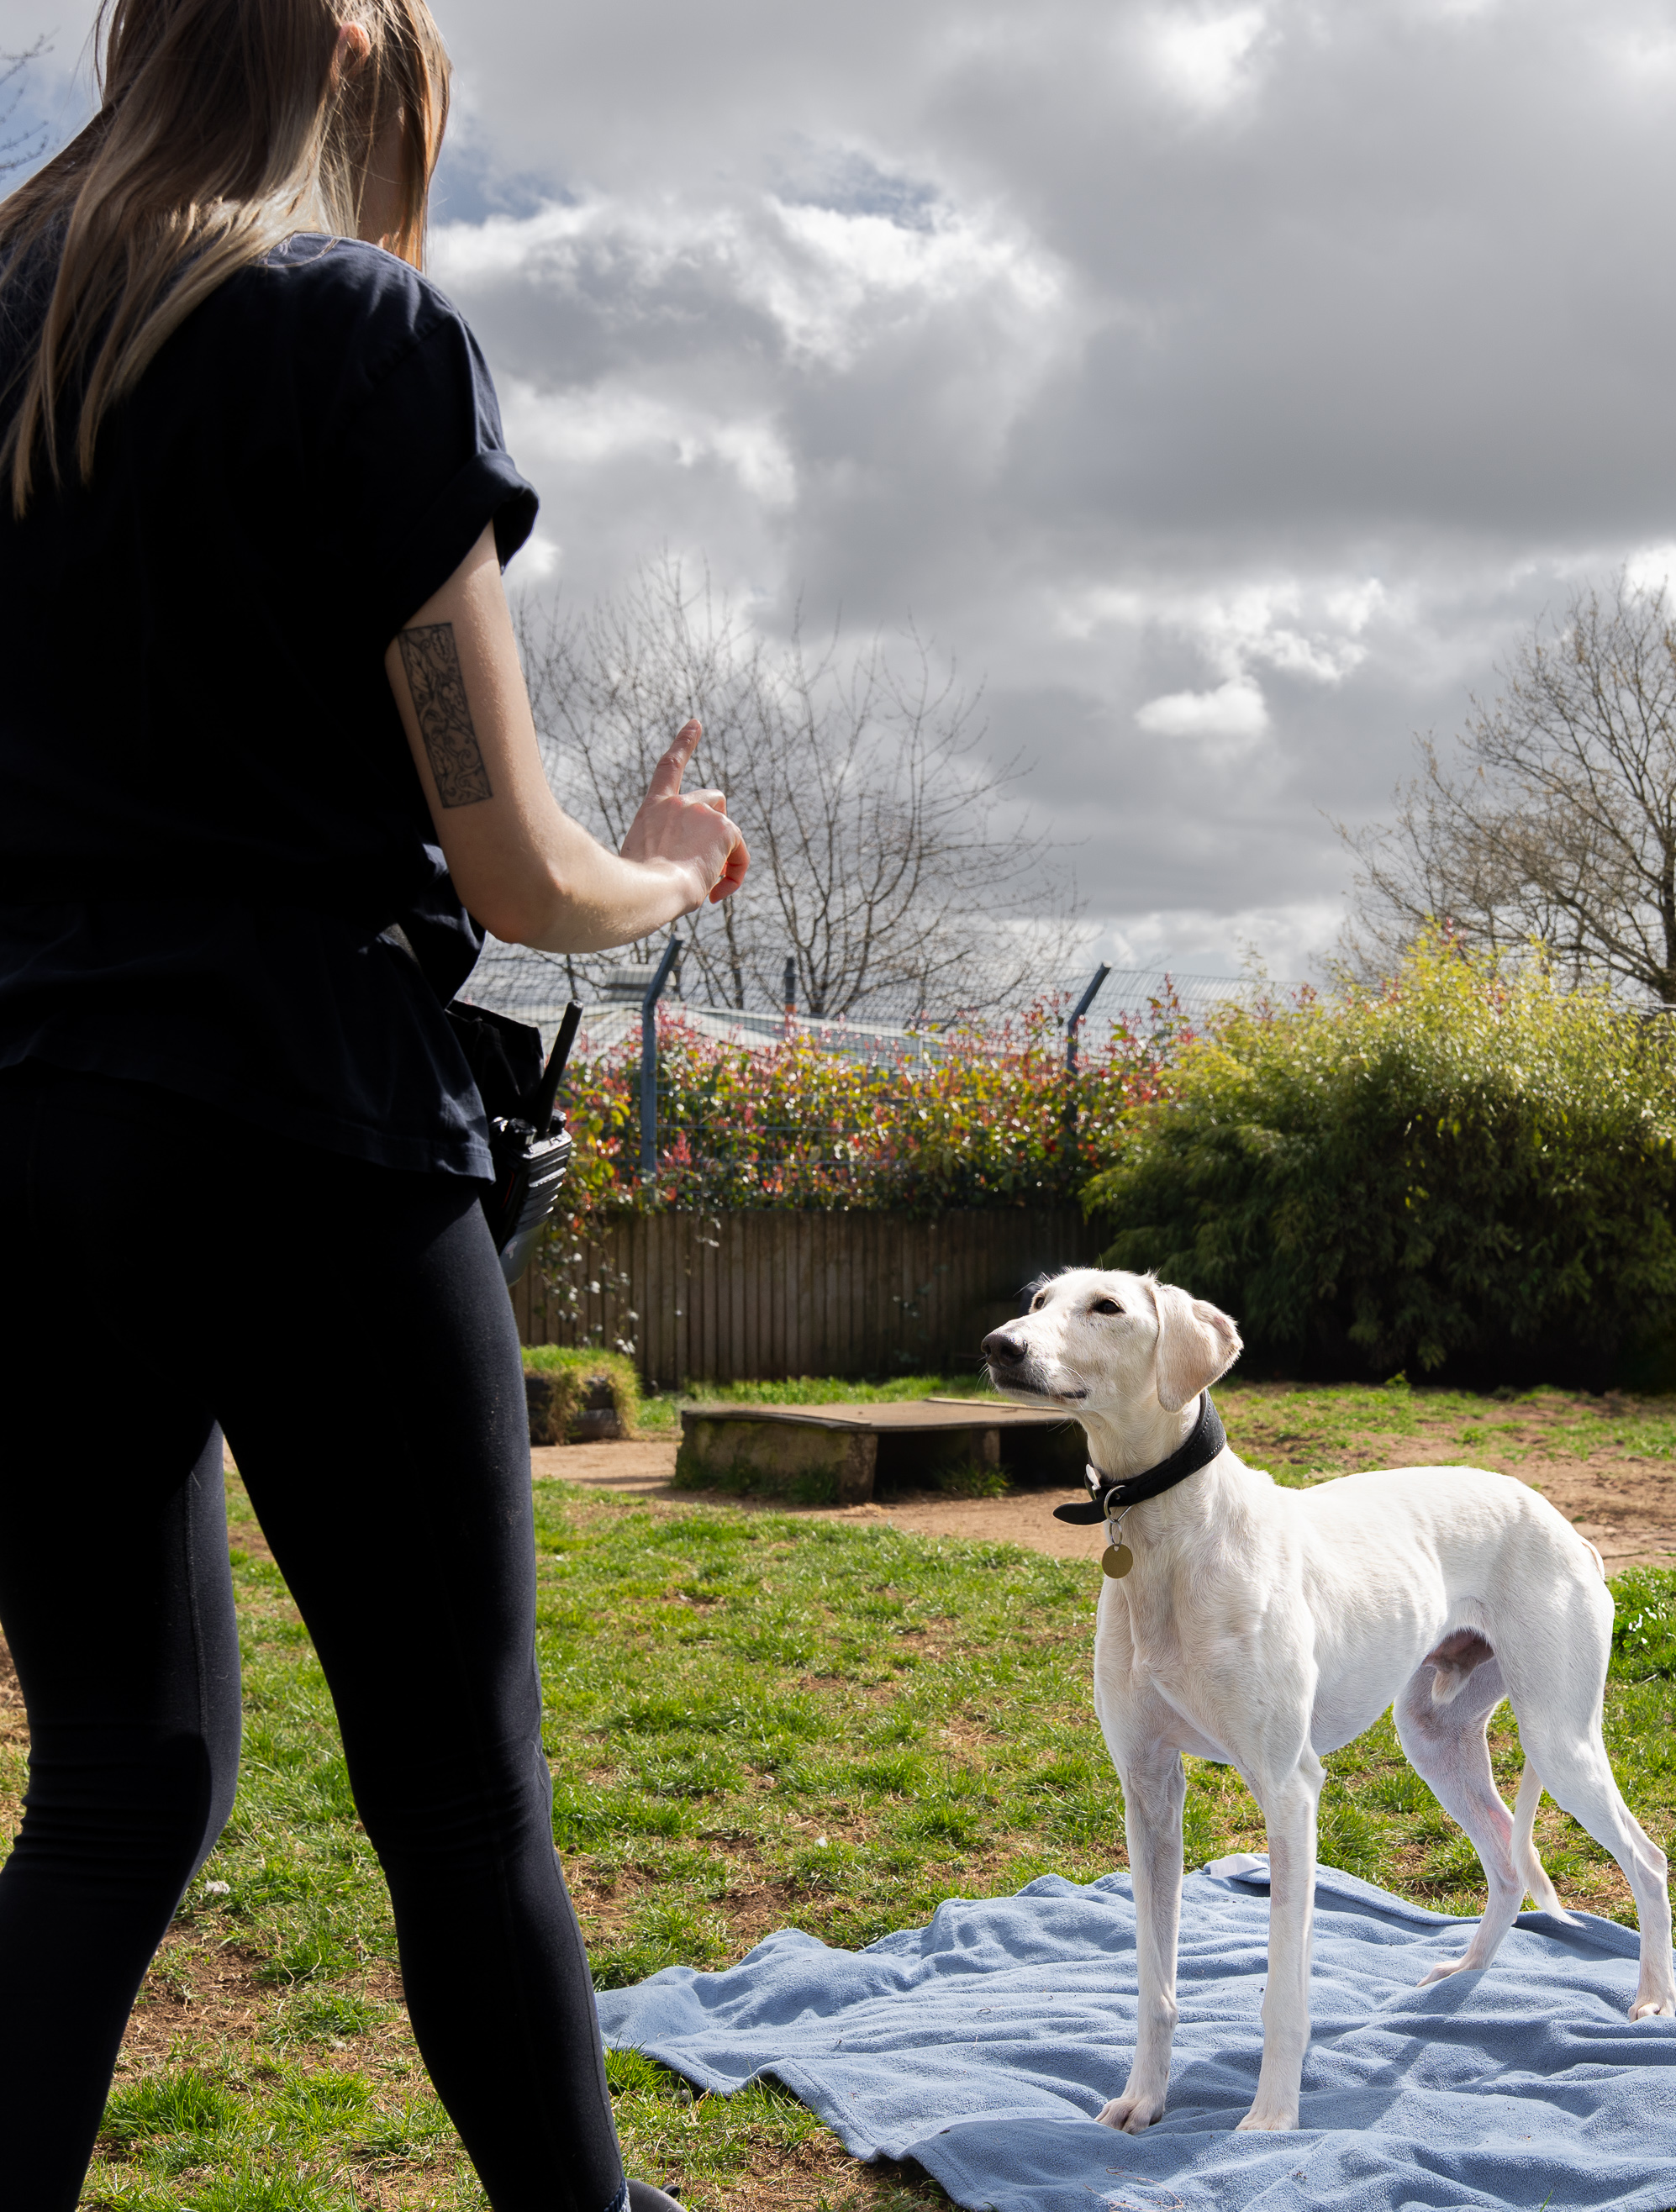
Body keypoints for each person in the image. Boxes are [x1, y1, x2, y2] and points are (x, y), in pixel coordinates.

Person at [0, 3, 747, 2206]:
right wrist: (677, 865)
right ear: (357, 60)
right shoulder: (356, 332)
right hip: (298, 1129)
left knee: (114, 1789)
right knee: (453, 1790)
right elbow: (517, 875)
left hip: (21, 1127)